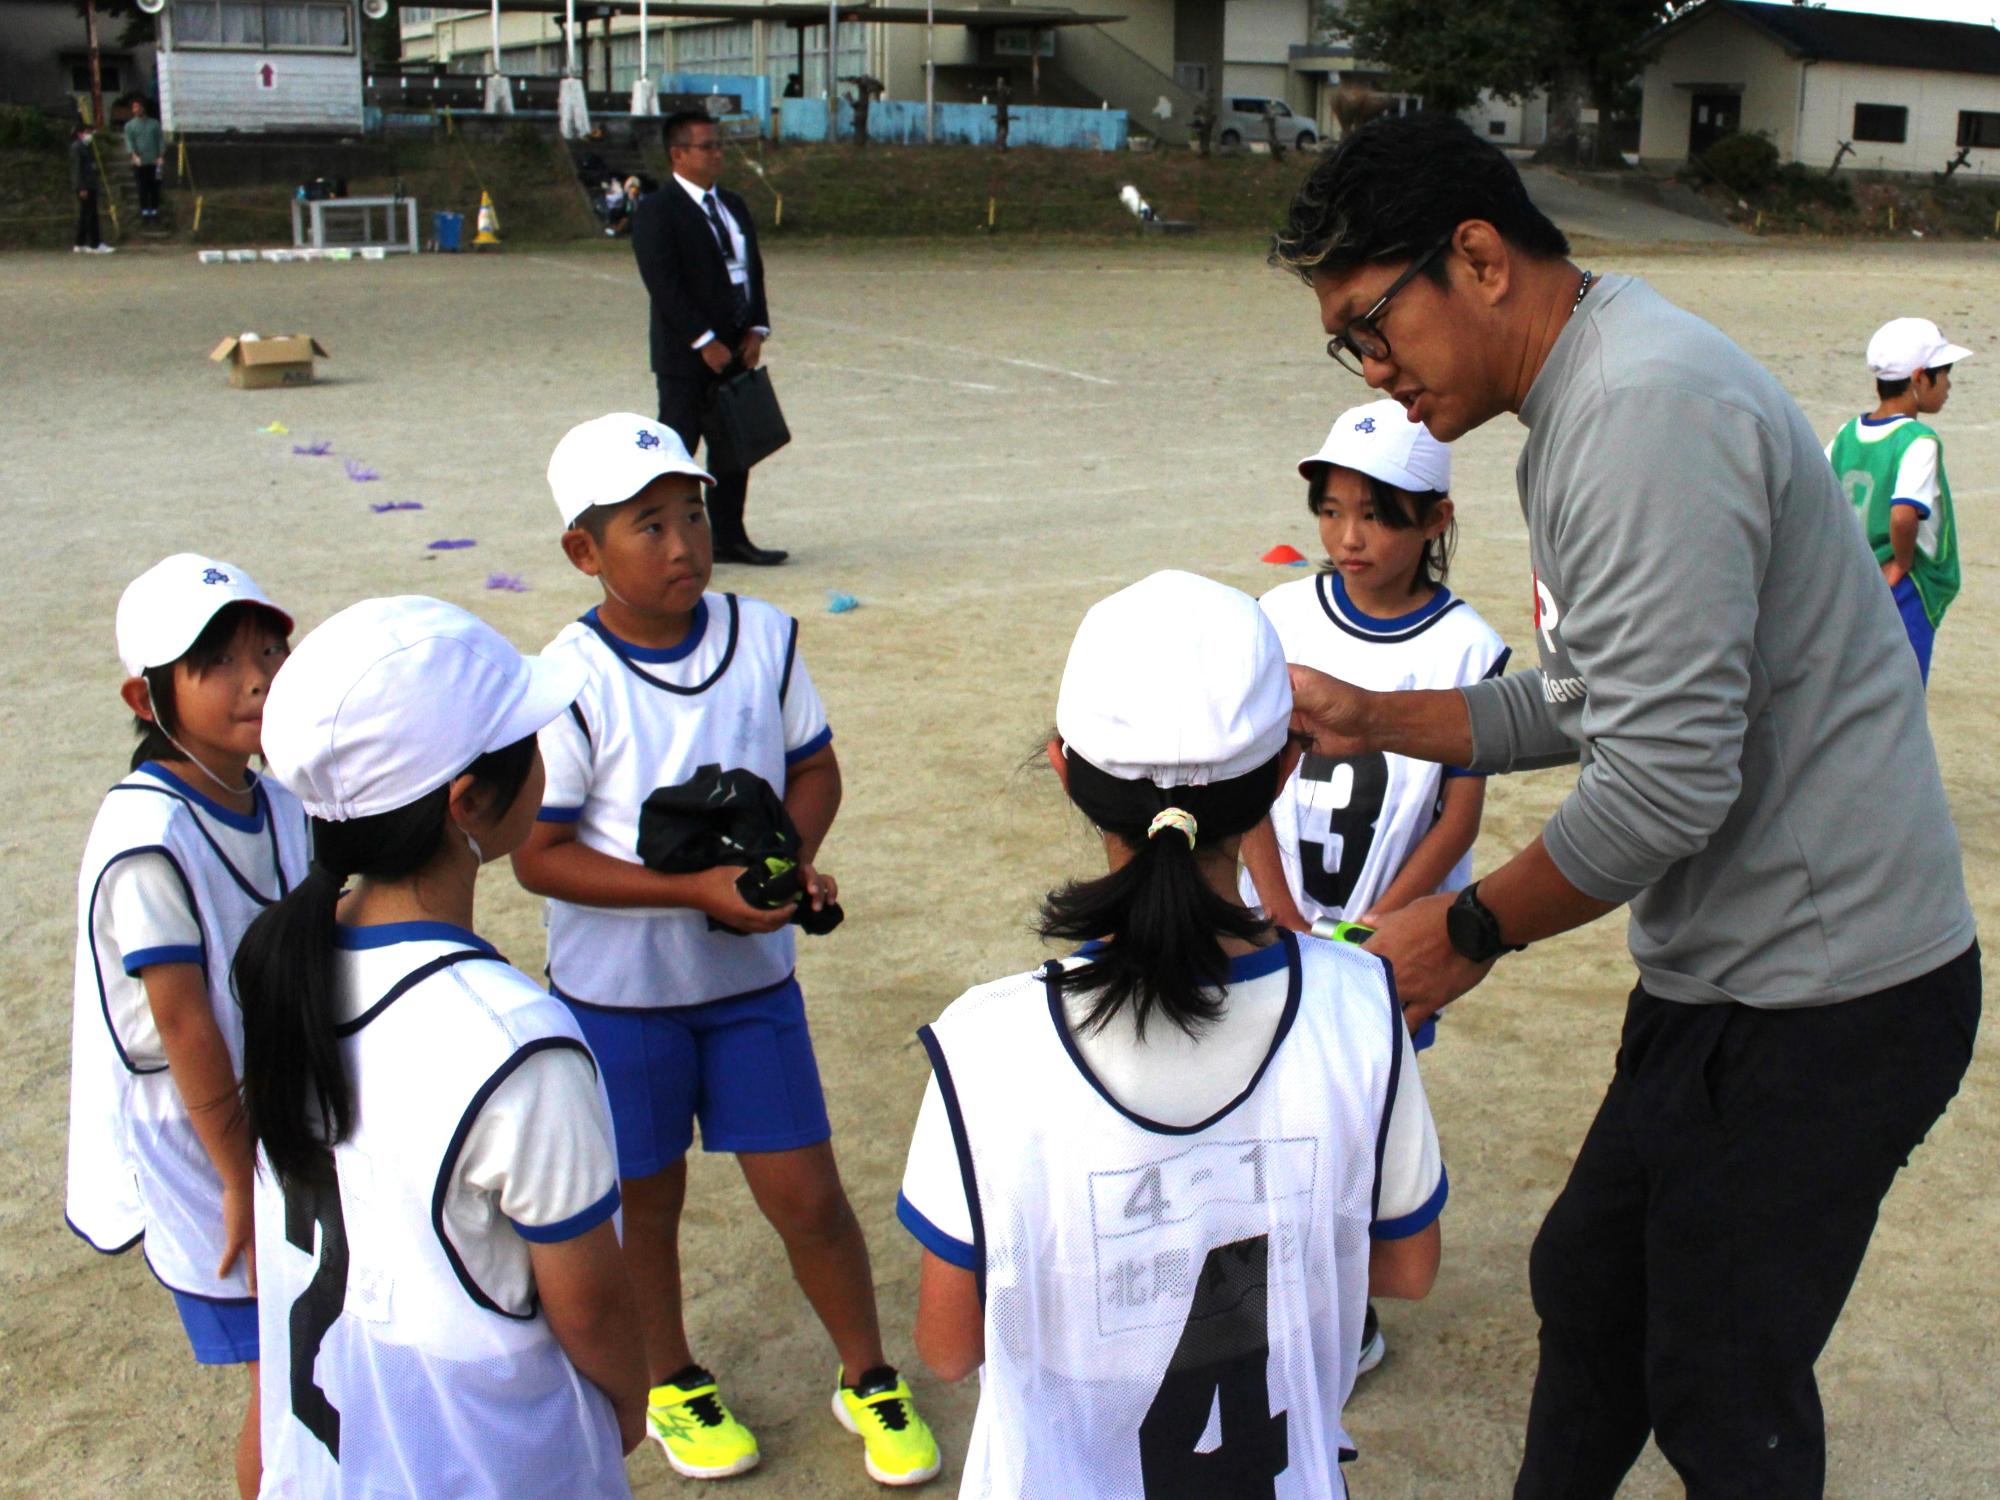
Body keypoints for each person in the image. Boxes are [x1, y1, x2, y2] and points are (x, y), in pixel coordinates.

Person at [1271, 111, 1979, 1499]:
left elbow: (1664, 783)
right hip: (1734, 977)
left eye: (1370, 326)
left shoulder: (1640, 410)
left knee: (1721, 1382)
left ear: (1475, 260)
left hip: (1832, 998)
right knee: (1590, 1281)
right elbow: (1602, 699)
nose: (1371, 371)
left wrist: (1465, 930)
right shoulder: (1593, 396)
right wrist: (1380, 714)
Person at [898, 570, 1445, 1496]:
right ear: (1282, 772)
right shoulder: (1360, 1006)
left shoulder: (987, 1046)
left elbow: (947, 1347)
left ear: (1065, 771)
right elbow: (1407, 1264)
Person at [511, 414, 940, 1487]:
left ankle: (867, 1374)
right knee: (643, 1203)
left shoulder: (763, 637)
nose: (680, 544)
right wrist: (688, 890)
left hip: (749, 986)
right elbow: (538, 854)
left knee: (805, 1193)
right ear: (582, 551)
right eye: (645, 525)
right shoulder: (565, 676)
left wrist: (780, 867)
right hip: (618, 998)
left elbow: (814, 772)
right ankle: (671, 1378)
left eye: (691, 514)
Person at [237, 595, 649, 1497]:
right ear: (466, 801)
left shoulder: (283, 963)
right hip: (479, 1458)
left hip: (331, 1452)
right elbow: (591, 1308)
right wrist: (628, 1404)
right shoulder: (514, 1040)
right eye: (528, 738)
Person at [1238, 399, 1505, 1374]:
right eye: (1330, 508)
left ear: (1434, 520)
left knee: (1350, 1129)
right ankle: (1264, 1294)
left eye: (1378, 515)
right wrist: (1274, 903)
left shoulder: (1466, 649)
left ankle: (1344, 1310)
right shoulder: (1276, 616)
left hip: (1378, 943)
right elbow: (1245, 783)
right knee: (1259, 1115)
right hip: (1272, 918)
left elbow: (1457, 816)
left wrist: (1384, 924)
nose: (1347, 538)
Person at [67, 554, 307, 1499]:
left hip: (279, 1120)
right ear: (147, 693)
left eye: (269, 649)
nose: (257, 678)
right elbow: (182, 1020)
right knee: (283, 1378)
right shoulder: (146, 835)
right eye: (218, 661)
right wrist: (237, 1176)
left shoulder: (273, 795)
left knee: (315, 1355)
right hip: (205, 1141)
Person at [631, 111, 784, 566]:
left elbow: (751, 270)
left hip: (738, 346)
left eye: (719, 144)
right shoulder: (657, 211)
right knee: (678, 450)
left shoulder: (733, 205)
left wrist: (756, 327)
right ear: (679, 154)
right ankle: (666, 542)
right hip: (686, 356)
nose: (718, 153)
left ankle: (730, 537)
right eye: (707, 146)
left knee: (735, 448)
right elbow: (664, 284)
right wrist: (704, 340)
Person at [1825, 316, 1969, 685]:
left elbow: (1819, 493)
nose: (1949, 383)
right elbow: (1904, 515)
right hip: (1903, 584)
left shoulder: (1847, 434)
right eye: (1944, 372)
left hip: (1856, 579)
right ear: (1920, 378)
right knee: (1901, 689)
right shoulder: (1918, 440)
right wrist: (1902, 562)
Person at [70, 122, 112, 254]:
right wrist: (81, 187)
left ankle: (80, 242)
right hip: (85, 185)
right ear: (80, 134)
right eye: (87, 132)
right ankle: (95, 243)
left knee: (84, 214)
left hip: (90, 184)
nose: (90, 135)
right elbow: (77, 169)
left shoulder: (86, 147)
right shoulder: (77, 147)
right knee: (91, 214)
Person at [125, 97, 164, 225]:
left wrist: (161, 155)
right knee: (142, 188)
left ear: (143, 107)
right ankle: (144, 213)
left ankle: (155, 212)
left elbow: (160, 140)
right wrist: (133, 155)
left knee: (155, 187)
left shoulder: (154, 123)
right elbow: (129, 142)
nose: (136, 109)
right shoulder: (130, 126)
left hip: (154, 161)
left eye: (138, 106)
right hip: (139, 162)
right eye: (134, 107)